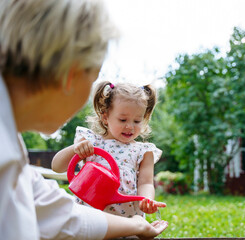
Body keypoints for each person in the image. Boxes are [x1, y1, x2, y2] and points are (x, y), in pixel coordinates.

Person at [0, 0, 168, 239]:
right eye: (91, 80)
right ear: (72, 74)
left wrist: (137, 225)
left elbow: (53, 211)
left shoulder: (9, 144)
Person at [52, 81, 166, 217]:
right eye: (123, 120)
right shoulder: (91, 142)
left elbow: (146, 182)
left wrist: (147, 199)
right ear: (105, 117)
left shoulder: (143, 152)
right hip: (91, 216)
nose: (130, 126)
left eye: (137, 121)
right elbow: (57, 167)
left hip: (127, 219)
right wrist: (76, 149)